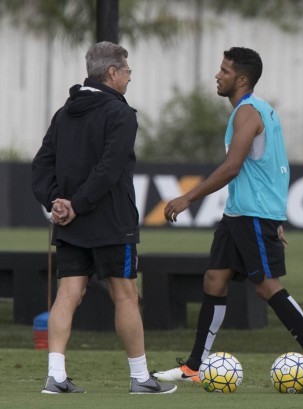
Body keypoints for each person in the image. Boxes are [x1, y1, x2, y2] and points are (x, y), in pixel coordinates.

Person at [153, 47, 303, 383]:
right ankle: (194, 367)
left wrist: (188, 197)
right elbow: (273, 167)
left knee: (266, 287)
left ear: (242, 79)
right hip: (239, 214)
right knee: (214, 281)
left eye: (225, 71)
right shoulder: (259, 110)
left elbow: (232, 168)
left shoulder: (248, 113)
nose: (218, 75)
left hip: (253, 214)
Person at [31, 41, 176, 395]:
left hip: (71, 224)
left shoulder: (65, 113)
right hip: (112, 221)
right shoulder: (121, 114)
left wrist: (57, 203)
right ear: (112, 73)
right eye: (127, 72)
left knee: (68, 294)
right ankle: (141, 378)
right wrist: (77, 204)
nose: (129, 79)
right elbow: (109, 170)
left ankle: (56, 376)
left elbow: (41, 165)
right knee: (125, 295)